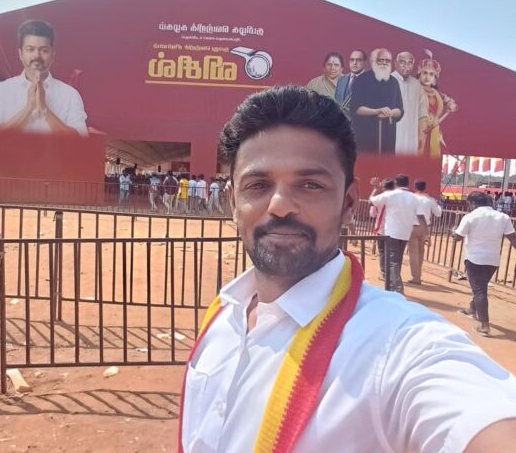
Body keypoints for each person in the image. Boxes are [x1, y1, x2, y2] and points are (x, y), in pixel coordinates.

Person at [180, 85, 516, 453]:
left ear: (348, 203)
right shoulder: (224, 313)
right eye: (258, 185)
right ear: (233, 202)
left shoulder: (396, 345)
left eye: (310, 185)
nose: (279, 204)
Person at [0, 19, 88, 135]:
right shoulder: (0, 91)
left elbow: (80, 141)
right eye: (30, 49)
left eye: (44, 50)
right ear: (20, 54)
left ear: (53, 55)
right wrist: (28, 108)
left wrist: (45, 109)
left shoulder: (70, 95)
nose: (37, 56)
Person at [453, 192, 516, 336]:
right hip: (493, 260)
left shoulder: (470, 217)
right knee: (480, 286)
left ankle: (484, 325)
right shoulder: (503, 217)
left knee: (479, 290)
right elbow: (513, 238)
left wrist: (453, 232)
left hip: (474, 259)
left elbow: (458, 237)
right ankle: (472, 309)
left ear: (473, 203)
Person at [370, 174, 423, 293]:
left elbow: (371, 201)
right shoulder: (414, 197)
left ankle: (397, 287)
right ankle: (392, 284)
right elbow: (419, 215)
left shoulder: (391, 194)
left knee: (392, 260)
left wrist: (375, 189)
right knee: (397, 259)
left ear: (396, 183)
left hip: (392, 232)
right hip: (406, 232)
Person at [350, 48, 404, 153]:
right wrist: (377, 111)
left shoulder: (394, 82)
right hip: (365, 138)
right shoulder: (362, 80)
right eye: (381, 60)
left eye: (387, 60)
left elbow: (400, 109)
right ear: (374, 61)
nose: (384, 62)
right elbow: (355, 109)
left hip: (388, 138)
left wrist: (392, 112)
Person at [418, 53, 457, 157]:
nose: (427, 77)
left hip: (434, 129)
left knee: (432, 155)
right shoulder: (413, 90)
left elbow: (451, 102)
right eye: (425, 73)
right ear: (419, 75)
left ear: (435, 79)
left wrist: (451, 105)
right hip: (417, 130)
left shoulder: (438, 94)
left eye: (431, 74)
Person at [391, 52, 428, 155]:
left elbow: (422, 114)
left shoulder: (417, 84)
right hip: (391, 138)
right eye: (402, 62)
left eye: (409, 63)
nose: (406, 66)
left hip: (411, 140)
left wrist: (421, 136)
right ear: (395, 63)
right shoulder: (387, 80)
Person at [407, 179, 442, 284]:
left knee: (413, 253)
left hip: (412, 226)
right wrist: (437, 204)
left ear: (415, 187)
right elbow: (438, 213)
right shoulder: (430, 200)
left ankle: (416, 276)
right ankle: (418, 274)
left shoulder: (410, 198)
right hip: (424, 227)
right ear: (424, 188)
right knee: (421, 252)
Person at [370, 178, 395, 280]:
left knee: (382, 252)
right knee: (393, 253)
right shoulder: (397, 199)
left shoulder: (380, 199)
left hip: (381, 229)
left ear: (383, 187)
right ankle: (393, 274)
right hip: (394, 229)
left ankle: (384, 273)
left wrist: (375, 189)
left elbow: (372, 212)